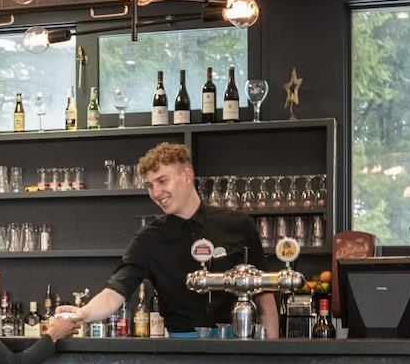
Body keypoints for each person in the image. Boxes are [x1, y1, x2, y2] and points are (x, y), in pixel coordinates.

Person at [68, 141, 283, 336]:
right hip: (181, 349)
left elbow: (263, 295)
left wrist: (270, 353)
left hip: (236, 342)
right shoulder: (148, 239)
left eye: (162, 181)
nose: (156, 192)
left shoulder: (238, 225)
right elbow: (114, 292)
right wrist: (83, 313)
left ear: (187, 176)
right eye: (150, 185)